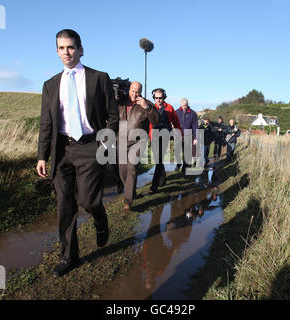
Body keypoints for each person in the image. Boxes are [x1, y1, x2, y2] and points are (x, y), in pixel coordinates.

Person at [36, 29, 119, 277]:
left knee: (88, 200)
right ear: (57, 51)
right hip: (61, 149)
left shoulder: (99, 78)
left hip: (89, 146)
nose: (66, 52)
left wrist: (104, 145)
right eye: (61, 48)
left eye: (71, 47)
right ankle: (68, 257)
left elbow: (113, 117)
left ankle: (100, 218)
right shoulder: (50, 85)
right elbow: (46, 123)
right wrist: (42, 155)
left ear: (80, 50)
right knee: (65, 205)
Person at [118, 81, 158, 211]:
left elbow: (157, 120)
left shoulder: (147, 104)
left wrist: (147, 107)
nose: (134, 94)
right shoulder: (121, 102)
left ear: (141, 92)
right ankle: (131, 190)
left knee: (131, 169)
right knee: (122, 171)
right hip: (122, 141)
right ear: (129, 90)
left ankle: (128, 200)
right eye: (132, 91)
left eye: (137, 92)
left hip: (138, 142)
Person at [149, 88, 182, 193]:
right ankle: (162, 179)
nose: (158, 100)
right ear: (154, 98)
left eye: (161, 98)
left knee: (159, 160)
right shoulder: (151, 108)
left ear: (164, 97)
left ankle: (154, 185)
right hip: (154, 136)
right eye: (156, 98)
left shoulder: (170, 108)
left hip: (165, 136)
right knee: (157, 160)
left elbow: (176, 122)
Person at [175, 98, 198, 173]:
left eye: (185, 106)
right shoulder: (177, 112)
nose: (184, 107)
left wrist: (195, 138)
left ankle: (185, 169)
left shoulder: (193, 113)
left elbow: (195, 126)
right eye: (182, 106)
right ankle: (178, 164)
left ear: (187, 104)